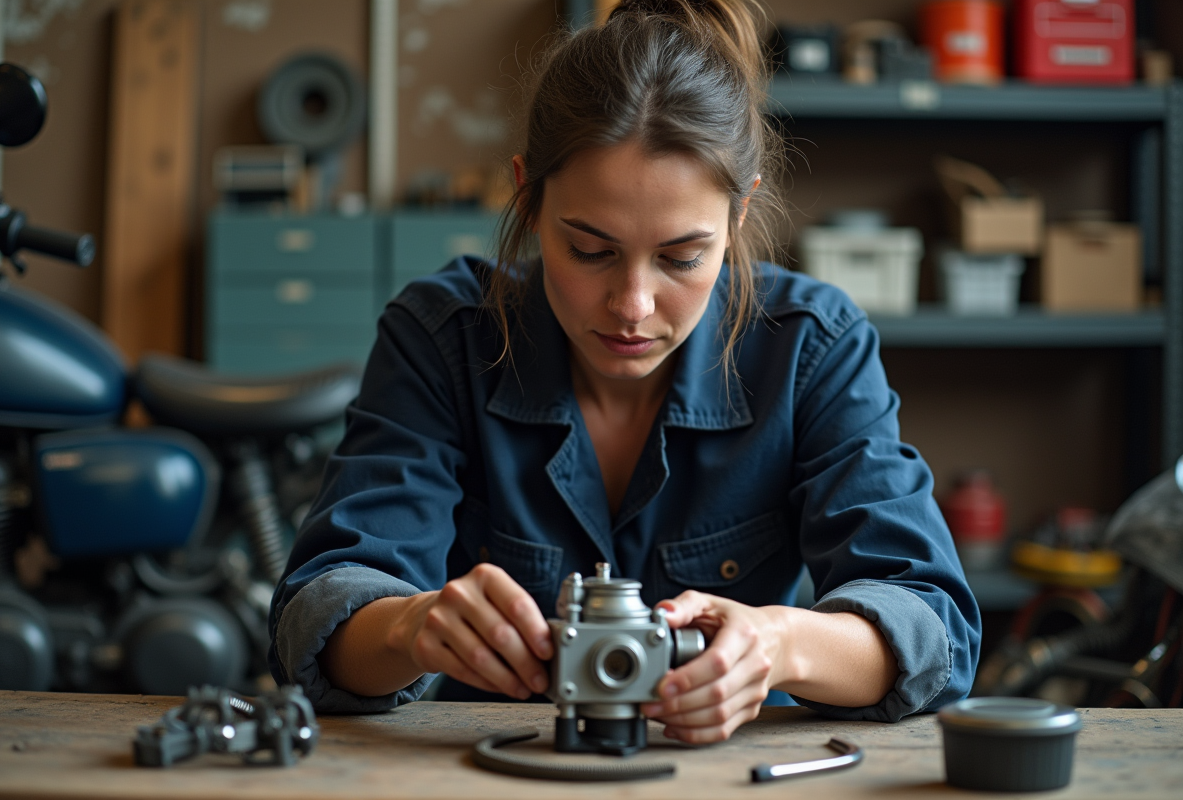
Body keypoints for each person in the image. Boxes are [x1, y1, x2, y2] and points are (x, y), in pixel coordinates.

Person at [270, 0, 981, 744]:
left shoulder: (811, 347)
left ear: (740, 214)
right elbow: (313, 619)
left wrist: (782, 645)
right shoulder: (442, 339)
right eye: (590, 250)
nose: (633, 306)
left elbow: (934, 625)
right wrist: (408, 627)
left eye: (682, 258)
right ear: (528, 197)